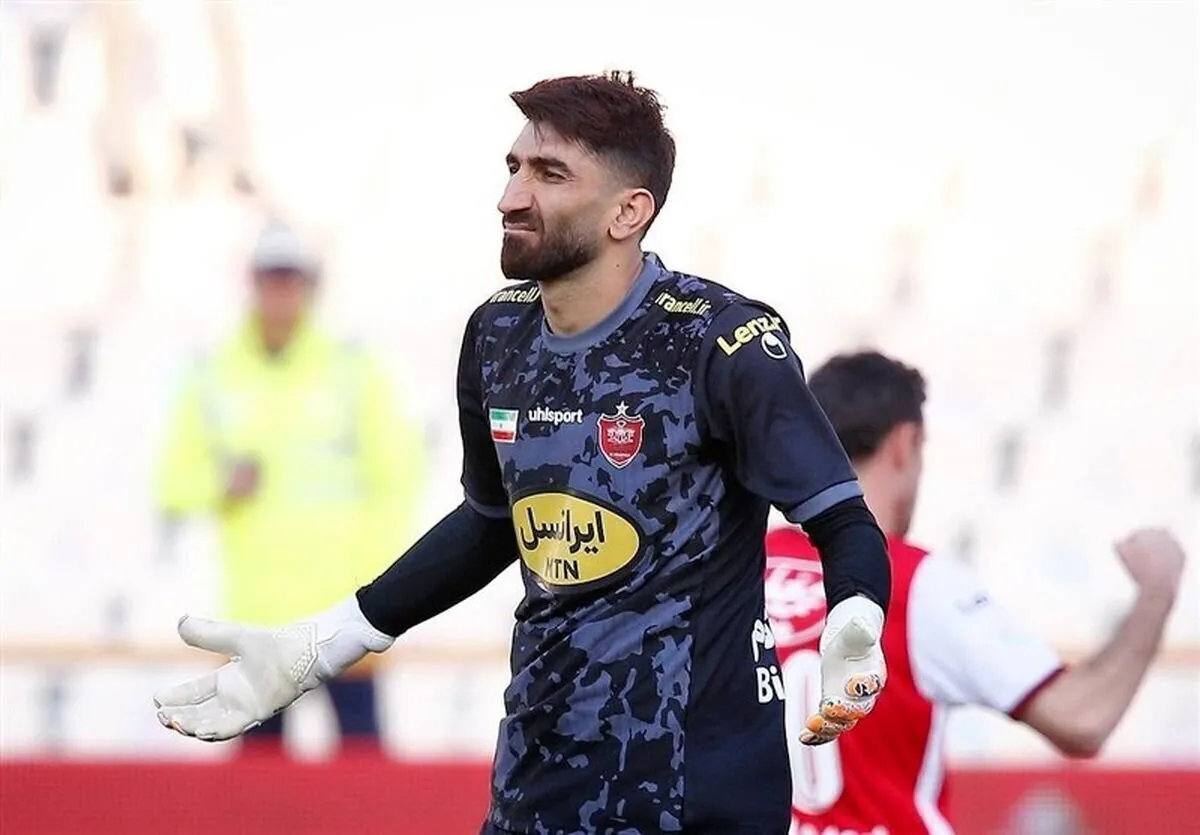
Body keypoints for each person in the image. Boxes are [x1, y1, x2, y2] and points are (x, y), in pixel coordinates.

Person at [153, 72, 892, 834]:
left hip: (694, 795)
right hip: (536, 785)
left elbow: (841, 518)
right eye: (513, 168)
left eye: (549, 174)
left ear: (629, 211)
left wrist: (857, 609)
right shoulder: (497, 333)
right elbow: (490, 521)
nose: (510, 197)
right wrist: (327, 641)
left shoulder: (720, 340)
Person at [765, 350, 1186, 835]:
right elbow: (1082, 717)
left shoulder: (747, 566)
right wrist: (1158, 590)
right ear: (905, 443)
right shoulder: (913, 582)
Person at [155, 220, 425, 756]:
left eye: (290, 279)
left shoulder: (352, 370)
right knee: (261, 777)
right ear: (253, 282)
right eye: (271, 278)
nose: (281, 292)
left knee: (363, 770)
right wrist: (221, 484)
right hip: (258, 614)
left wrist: (379, 584)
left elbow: (399, 476)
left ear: (308, 285)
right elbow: (172, 483)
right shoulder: (212, 374)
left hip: (345, 610)